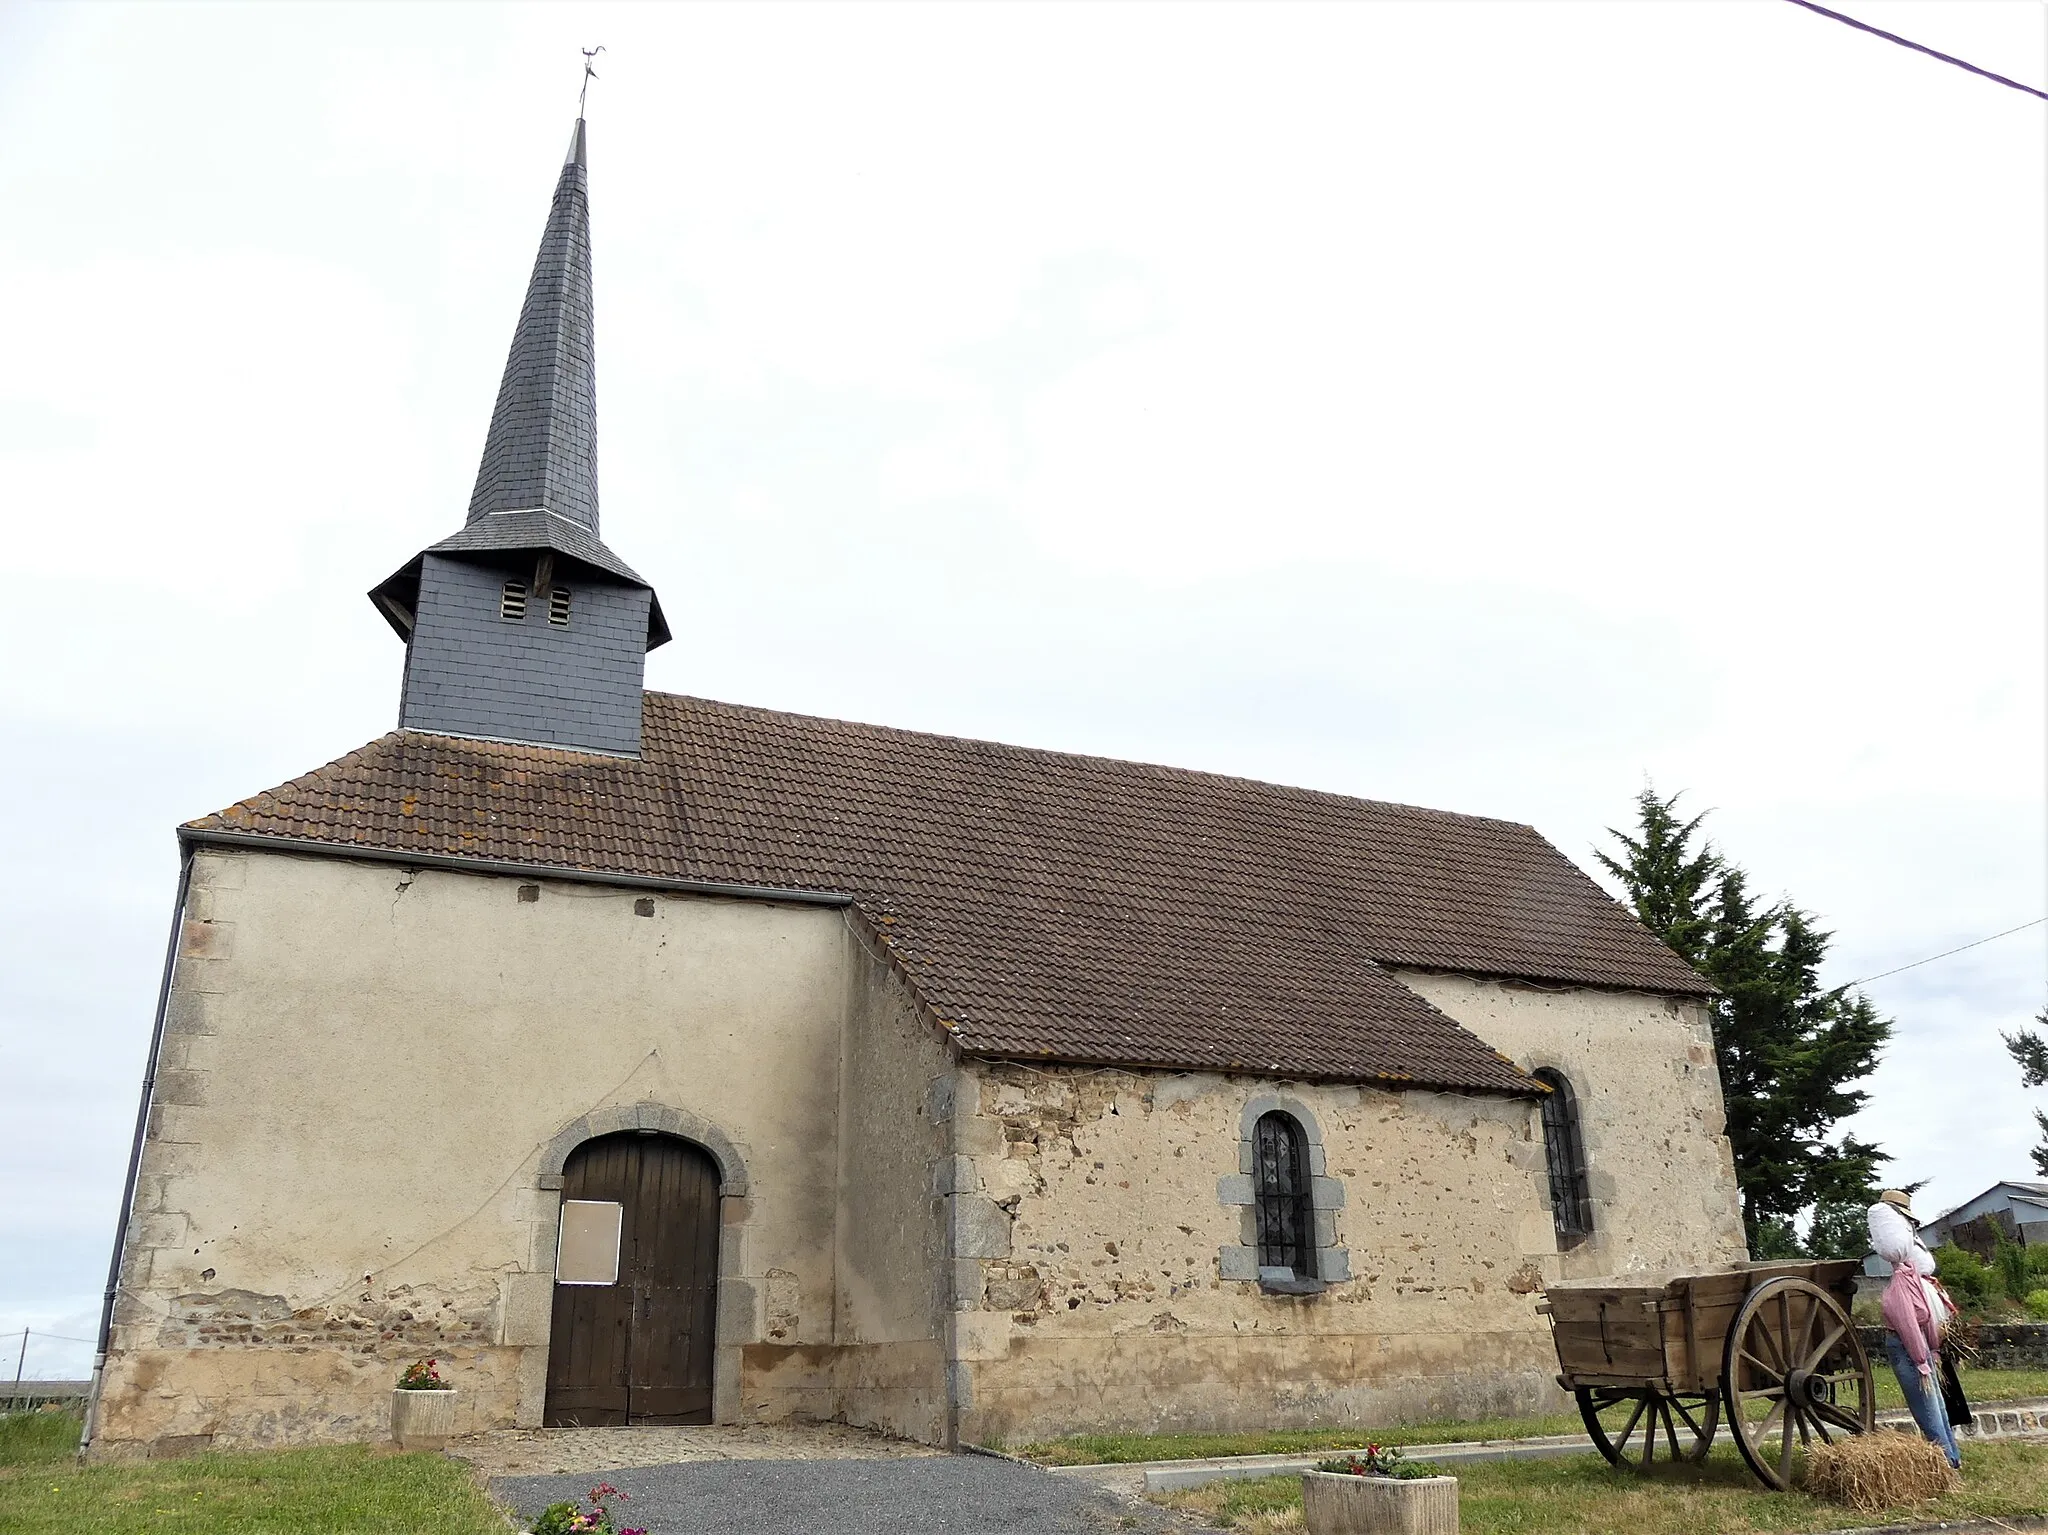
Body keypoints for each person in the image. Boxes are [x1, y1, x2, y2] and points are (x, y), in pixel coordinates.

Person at [1867, 1189, 1962, 1469]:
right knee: (1935, 1403)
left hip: (1911, 1347)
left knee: (1927, 1405)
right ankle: (1951, 1457)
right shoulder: (1916, 1282)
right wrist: (1930, 1351)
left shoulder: (1903, 1285)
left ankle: (1945, 1462)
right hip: (1924, 1345)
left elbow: (1907, 1323)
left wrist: (1921, 1359)